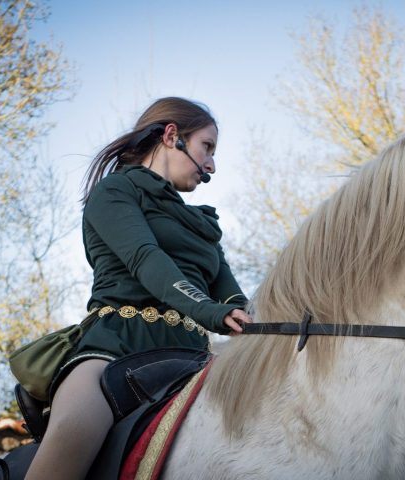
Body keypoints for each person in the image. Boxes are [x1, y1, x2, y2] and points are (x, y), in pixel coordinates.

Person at [25, 97, 252, 480]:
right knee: (76, 428)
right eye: (207, 147)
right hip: (114, 349)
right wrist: (212, 312)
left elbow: (229, 293)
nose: (212, 164)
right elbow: (147, 261)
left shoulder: (202, 223)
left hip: (193, 356)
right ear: (172, 136)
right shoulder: (113, 193)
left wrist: (253, 321)